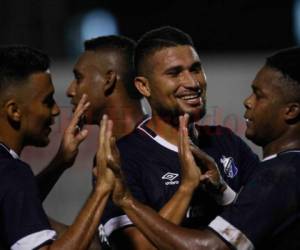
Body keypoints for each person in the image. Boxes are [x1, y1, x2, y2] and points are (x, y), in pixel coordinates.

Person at [103, 46, 300, 250]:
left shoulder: (281, 173)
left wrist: (128, 201)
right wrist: (222, 191)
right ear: (144, 86)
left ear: (291, 111)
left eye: (259, 95)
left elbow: (208, 248)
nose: (248, 101)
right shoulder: (127, 153)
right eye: (174, 73)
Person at [0, 45, 115, 250]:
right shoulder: (11, 173)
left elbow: (13, 203)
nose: (55, 111)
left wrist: (60, 162)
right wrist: (101, 190)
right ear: (14, 110)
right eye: (47, 101)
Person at [66, 35, 145, 139]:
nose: (70, 91)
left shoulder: (149, 151)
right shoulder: (118, 149)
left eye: (79, 78)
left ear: (108, 81)